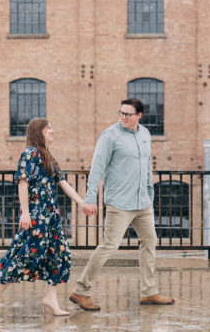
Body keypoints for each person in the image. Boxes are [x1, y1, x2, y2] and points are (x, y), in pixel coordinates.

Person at [68, 98, 174, 311]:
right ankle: (81, 291)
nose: (123, 117)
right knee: (109, 246)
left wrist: (150, 192)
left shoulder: (145, 135)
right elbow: (96, 169)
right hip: (119, 203)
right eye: (121, 113)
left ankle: (149, 291)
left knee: (149, 242)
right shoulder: (109, 136)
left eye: (128, 114)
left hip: (143, 203)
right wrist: (90, 199)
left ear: (139, 115)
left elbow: (147, 167)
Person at [0, 117, 87, 316]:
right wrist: (25, 213)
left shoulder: (47, 155)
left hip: (51, 216)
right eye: (49, 128)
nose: (53, 131)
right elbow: (23, 183)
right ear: (38, 132)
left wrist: (82, 203)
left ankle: (51, 298)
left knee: (59, 254)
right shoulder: (29, 154)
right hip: (37, 216)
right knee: (26, 255)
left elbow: (62, 182)